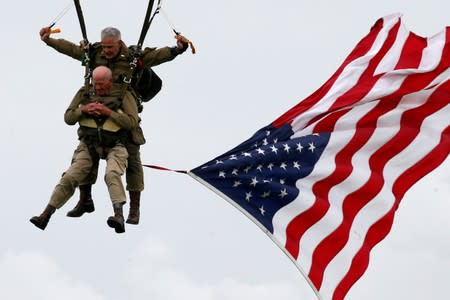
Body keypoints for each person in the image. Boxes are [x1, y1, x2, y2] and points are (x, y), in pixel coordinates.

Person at [39, 26, 189, 224]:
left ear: (119, 43)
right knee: (87, 147)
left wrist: (177, 49)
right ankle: (85, 200)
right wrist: (49, 41)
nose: (106, 51)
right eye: (105, 47)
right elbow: (73, 50)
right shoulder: (94, 53)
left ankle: (134, 209)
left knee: (133, 158)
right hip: (97, 107)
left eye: (110, 47)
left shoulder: (133, 58)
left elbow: (158, 56)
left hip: (124, 109)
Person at [30, 66, 139, 233]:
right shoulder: (85, 93)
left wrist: (108, 112)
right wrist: (83, 110)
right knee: (70, 176)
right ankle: (46, 214)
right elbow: (68, 117)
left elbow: (131, 123)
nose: (98, 88)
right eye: (96, 84)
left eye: (102, 84)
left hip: (117, 144)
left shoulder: (124, 95)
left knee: (112, 174)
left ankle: (119, 215)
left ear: (110, 82)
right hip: (89, 144)